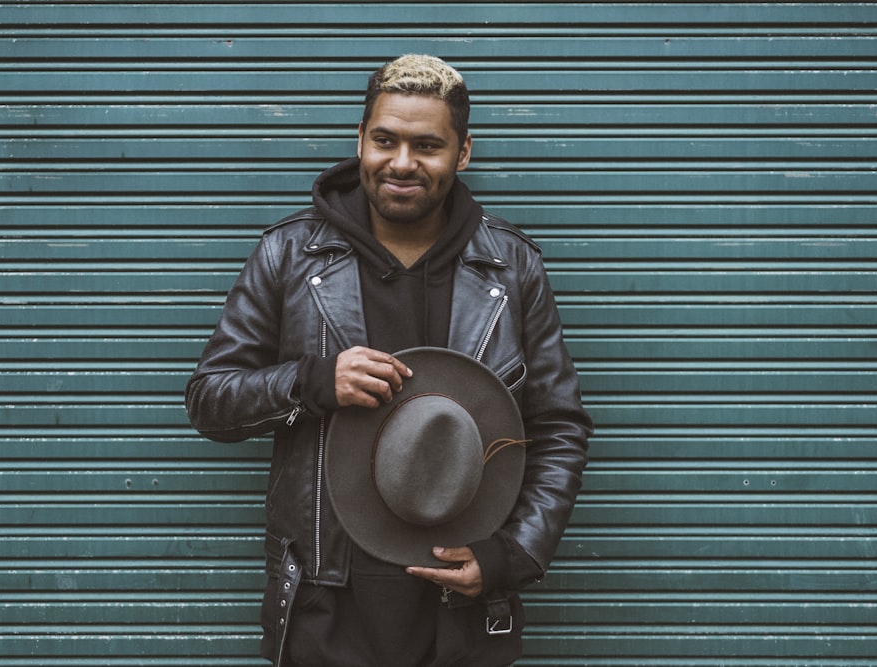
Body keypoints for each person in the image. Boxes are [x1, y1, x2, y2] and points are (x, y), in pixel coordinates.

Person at [185, 54, 593, 667]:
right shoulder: (289, 256)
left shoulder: (511, 269)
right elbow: (211, 401)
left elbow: (558, 426)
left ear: (463, 152)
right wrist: (311, 380)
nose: (402, 163)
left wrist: (512, 555)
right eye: (385, 140)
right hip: (326, 608)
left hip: (462, 614)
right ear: (360, 141)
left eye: (427, 145)